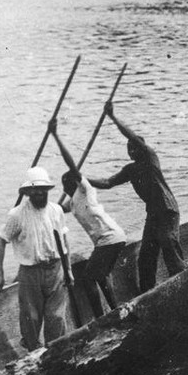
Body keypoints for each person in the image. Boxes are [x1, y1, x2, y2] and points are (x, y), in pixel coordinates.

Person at [90, 102, 184, 293]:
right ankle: (147, 293)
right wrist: (82, 178)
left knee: (167, 242)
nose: (131, 150)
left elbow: (131, 135)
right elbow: (108, 183)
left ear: (142, 148)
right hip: (153, 215)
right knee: (146, 257)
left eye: (134, 147)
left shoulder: (150, 158)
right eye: (128, 148)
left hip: (167, 211)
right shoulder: (130, 170)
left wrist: (113, 117)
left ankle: (182, 278)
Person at [48, 120, 127, 319]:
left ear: (74, 183)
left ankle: (101, 317)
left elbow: (71, 165)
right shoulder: (73, 202)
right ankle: (114, 310)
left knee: (89, 277)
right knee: (100, 275)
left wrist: (56, 136)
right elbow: (55, 209)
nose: (64, 191)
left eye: (66, 186)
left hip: (110, 237)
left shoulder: (85, 190)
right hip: (106, 241)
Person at [0, 166, 70, 351]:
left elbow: (64, 240)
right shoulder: (17, 214)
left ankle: (55, 350)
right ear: (28, 192)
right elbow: (1, 241)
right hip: (30, 272)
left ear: (48, 190)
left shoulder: (56, 210)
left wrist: (69, 269)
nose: (39, 192)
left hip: (56, 268)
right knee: (31, 317)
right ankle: (33, 350)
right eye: (35, 189)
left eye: (43, 189)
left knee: (56, 317)